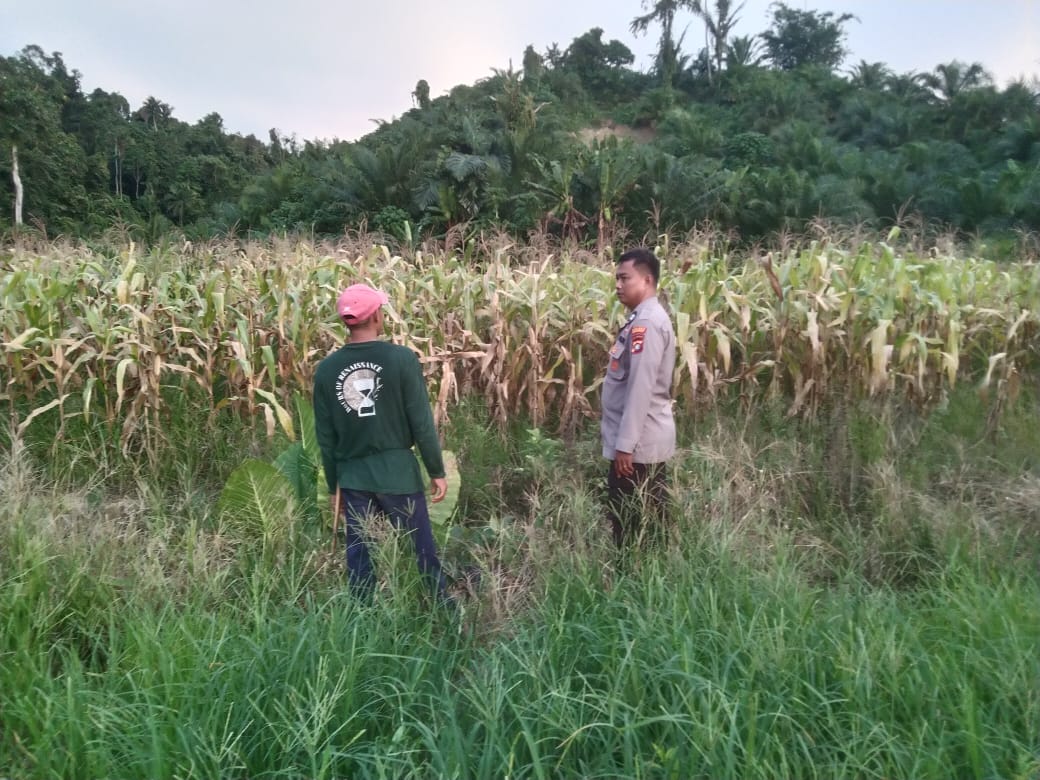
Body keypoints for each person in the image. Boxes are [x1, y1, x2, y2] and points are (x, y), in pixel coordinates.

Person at [313, 283, 450, 602]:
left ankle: (361, 621)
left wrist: (336, 487)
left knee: (360, 559)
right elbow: (421, 421)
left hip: (353, 477)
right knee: (421, 551)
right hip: (397, 474)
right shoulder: (401, 359)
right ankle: (441, 611)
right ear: (375, 315)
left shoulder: (327, 370)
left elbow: (326, 437)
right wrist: (436, 469)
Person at [600, 248, 677, 548]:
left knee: (632, 524)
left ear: (646, 280)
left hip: (637, 449)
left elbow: (640, 389)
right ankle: (643, 583)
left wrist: (624, 446)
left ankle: (635, 583)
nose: (618, 285)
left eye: (624, 278)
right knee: (640, 522)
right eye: (616, 279)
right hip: (639, 445)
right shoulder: (642, 319)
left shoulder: (646, 325)